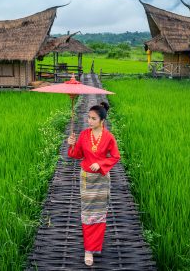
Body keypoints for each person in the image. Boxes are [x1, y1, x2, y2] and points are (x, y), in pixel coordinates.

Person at [67, 101, 121, 266]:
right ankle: (88, 250)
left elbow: (115, 157)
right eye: (88, 117)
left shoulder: (109, 137)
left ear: (101, 120)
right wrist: (71, 144)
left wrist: (101, 164)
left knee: (99, 214)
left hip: (102, 180)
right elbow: (76, 155)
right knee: (88, 214)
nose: (89, 121)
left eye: (93, 118)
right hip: (87, 180)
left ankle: (94, 246)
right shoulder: (84, 134)